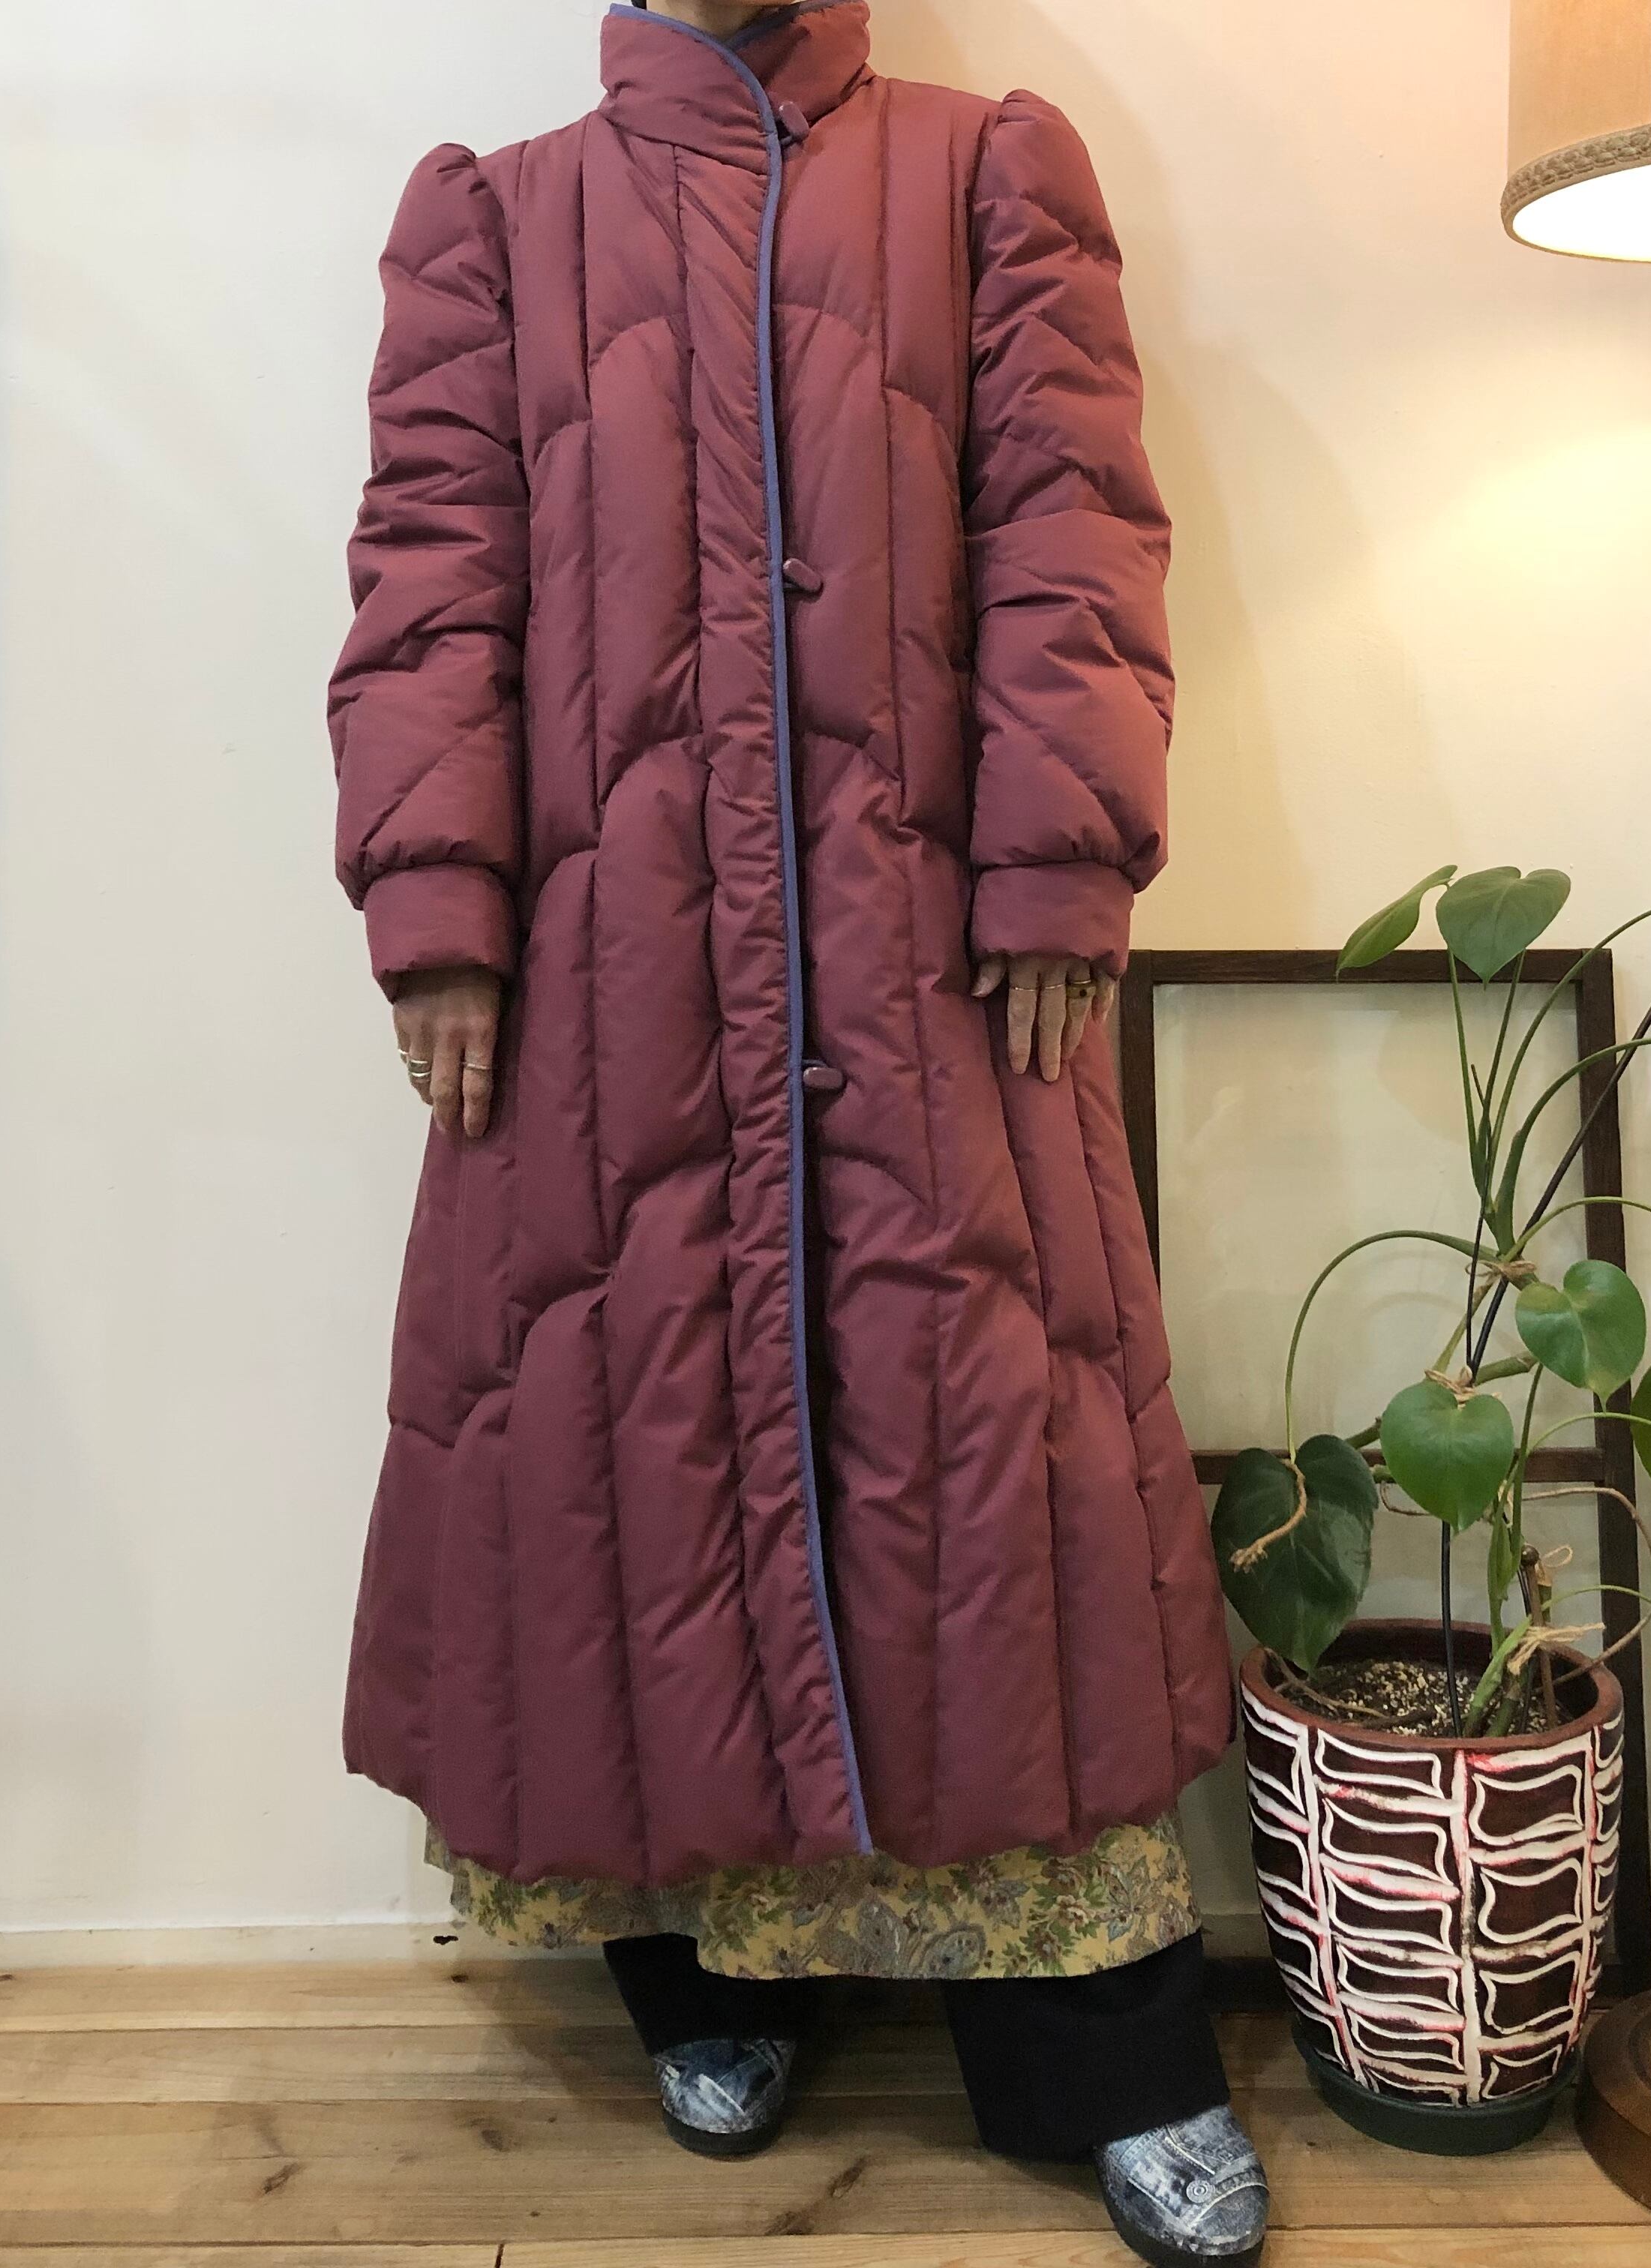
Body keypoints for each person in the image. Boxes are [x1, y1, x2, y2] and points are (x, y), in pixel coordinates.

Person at [328, 3, 1265, 2260]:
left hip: (932, 954)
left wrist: (1061, 857)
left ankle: (1101, 2053)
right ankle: (707, 1969)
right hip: (609, 974)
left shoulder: (984, 170)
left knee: (1001, 1465)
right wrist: (438, 908)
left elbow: (1071, 520)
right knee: (634, 1448)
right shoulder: (500, 222)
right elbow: (430, 575)